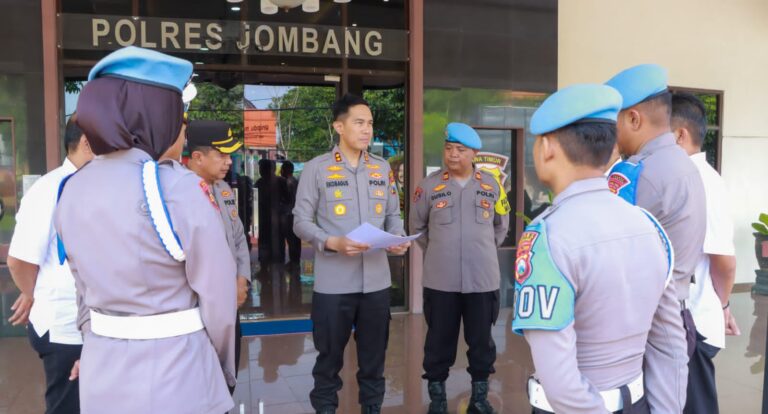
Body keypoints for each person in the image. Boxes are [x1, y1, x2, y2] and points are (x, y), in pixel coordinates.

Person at [53, 46, 237, 413]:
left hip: (101, 377)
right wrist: (222, 366)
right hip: (178, 375)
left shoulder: (71, 188)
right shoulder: (176, 187)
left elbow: (82, 294)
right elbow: (219, 302)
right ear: (155, 114)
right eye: (175, 110)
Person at [513, 83, 688, 414]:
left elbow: (561, 382)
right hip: (637, 404)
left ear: (547, 148)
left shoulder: (547, 237)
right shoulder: (649, 227)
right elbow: (670, 346)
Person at [293, 94, 409, 414]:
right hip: (333, 285)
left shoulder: (382, 168)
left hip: (376, 285)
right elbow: (300, 222)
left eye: (370, 123)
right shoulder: (317, 169)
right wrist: (332, 242)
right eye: (359, 122)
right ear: (339, 127)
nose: (367, 129)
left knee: (374, 361)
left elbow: (393, 217)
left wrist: (398, 238)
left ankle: (372, 408)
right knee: (328, 361)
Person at [606, 64, 706, 410]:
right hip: (673, 311)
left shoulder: (639, 175)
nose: (611, 135)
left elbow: (610, 256)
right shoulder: (681, 164)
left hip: (649, 320)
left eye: (613, 123)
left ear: (634, 119)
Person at [410, 122, 510, 414]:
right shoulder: (428, 186)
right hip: (441, 280)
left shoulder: (492, 186)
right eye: (449, 148)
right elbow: (418, 228)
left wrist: (478, 250)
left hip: (483, 279)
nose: (452, 155)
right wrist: (443, 251)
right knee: (438, 342)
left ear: (474, 153)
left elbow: (500, 227)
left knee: (481, 341)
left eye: (460, 150)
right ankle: (438, 399)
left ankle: (480, 398)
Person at [7, 114, 93, 413]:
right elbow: (19, 260)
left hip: (89, 324)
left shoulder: (91, 185)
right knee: (68, 406)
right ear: (86, 142)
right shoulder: (48, 189)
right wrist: (33, 293)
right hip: (64, 325)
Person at [670, 92, 740, 414]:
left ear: (680, 135)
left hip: (693, 324)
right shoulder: (680, 178)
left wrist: (723, 305)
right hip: (682, 322)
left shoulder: (703, 182)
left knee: (695, 405)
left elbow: (723, 262)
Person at [185, 119, 252, 394]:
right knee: (201, 378)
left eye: (230, 155)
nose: (228, 162)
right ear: (197, 157)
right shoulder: (180, 192)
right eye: (222, 155)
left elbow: (238, 238)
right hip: (198, 305)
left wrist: (242, 279)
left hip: (228, 301)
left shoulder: (223, 189)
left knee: (229, 372)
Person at [256, 159, 288, 267]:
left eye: (262, 168)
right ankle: (272, 264)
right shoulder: (261, 182)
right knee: (273, 241)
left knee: (268, 241)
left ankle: (267, 265)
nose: (260, 171)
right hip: (272, 218)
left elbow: (287, 199)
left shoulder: (260, 183)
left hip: (271, 218)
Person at [280, 160, 302, 265]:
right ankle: (295, 260)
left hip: (289, 214)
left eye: (282, 168)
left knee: (291, 239)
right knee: (295, 239)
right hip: (296, 213)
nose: (281, 171)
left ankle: (293, 261)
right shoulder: (296, 181)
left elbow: (286, 199)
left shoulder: (287, 182)